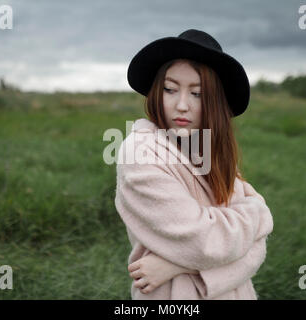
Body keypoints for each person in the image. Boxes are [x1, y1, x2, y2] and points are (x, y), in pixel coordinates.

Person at [115, 29, 274, 300]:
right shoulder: (141, 154)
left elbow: (256, 249)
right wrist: (258, 214)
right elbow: (206, 242)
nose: (182, 105)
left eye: (197, 93)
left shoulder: (208, 149)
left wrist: (175, 263)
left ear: (214, 100)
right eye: (170, 89)